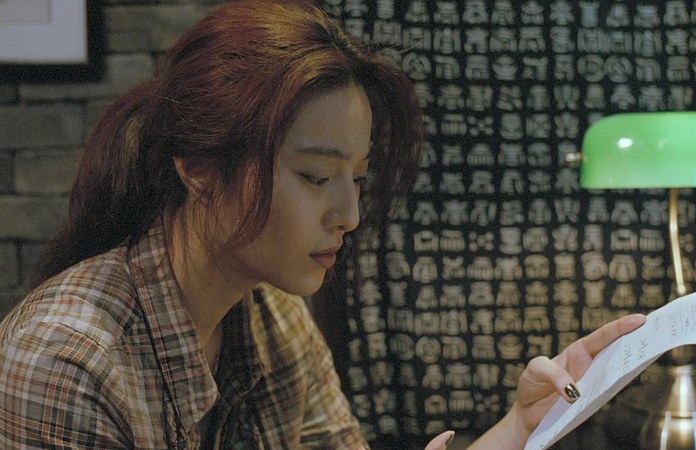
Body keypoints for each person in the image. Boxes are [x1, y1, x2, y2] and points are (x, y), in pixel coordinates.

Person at [0, 1, 646, 449]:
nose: (349, 216)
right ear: (198, 169)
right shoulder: (66, 362)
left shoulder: (276, 318)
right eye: (315, 177)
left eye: (357, 178)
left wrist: (519, 429)